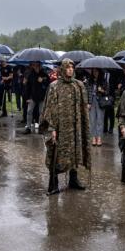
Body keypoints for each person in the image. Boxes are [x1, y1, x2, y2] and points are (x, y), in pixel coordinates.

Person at [40, 59, 91, 192]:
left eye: (72, 67)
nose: (70, 70)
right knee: (57, 154)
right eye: (67, 67)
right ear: (62, 69)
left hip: (75, 128)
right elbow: (49, 109)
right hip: (60, 128)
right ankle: (54, 183)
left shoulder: (78, 86)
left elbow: (83, 108)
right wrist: (52, 129)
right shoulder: (54, 86)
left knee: (75, 152)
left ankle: (73, 179)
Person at [24, 61, 49, 134]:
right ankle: (28, 127)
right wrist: (27, 97)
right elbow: (27, 87)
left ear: (40, 66)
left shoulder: (44, 74)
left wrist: (43, 81)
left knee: (41, 112)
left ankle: (41, 127)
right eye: (34, 65)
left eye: (37, 65)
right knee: (29, 111)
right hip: (32, 96)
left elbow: (49, 84)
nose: (36, 67)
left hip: (42, 96)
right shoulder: (31, 74)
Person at [86, 68, 109, 146]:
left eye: (96, 71)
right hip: (91, 101)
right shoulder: (89, 80)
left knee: (100, 120)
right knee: (92, 120)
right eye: (93, 71)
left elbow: (107, 92)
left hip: (100, 102)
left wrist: (102, 90)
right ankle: (93, 137)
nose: (95, 73)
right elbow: (87, 92)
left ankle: (99, 137)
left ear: (99, 72)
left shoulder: (103, 81)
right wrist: (88, 102)